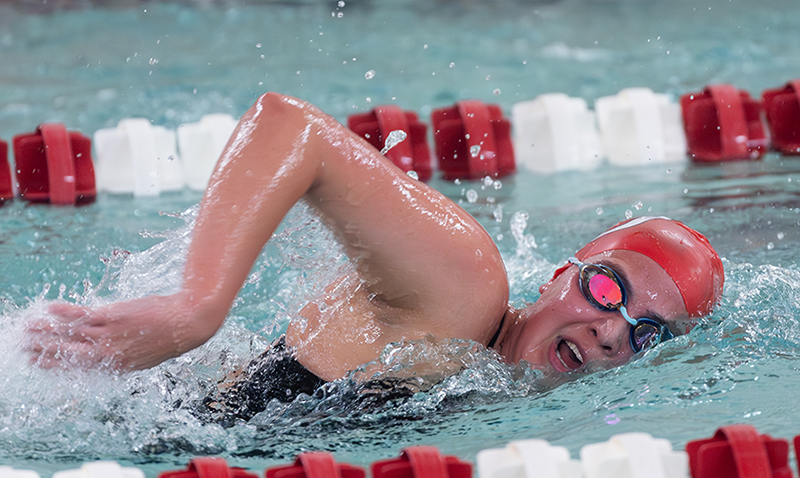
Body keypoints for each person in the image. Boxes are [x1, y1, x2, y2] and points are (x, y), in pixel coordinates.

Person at [25, 93, 724, 405]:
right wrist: (196, 309)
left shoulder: (494, 381)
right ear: (558, 274)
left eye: (646, 334)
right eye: (609, 289)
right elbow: (289, 125)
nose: (610, 329)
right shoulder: (466, 285)